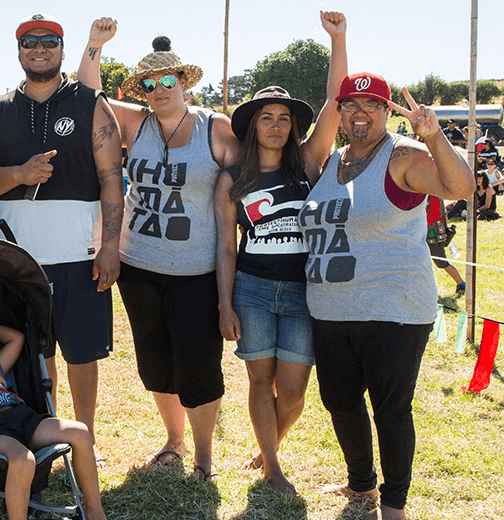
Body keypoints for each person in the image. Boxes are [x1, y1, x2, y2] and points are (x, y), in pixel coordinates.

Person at [299, 73, 473, 520]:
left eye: (372, 104)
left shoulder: (402, 156)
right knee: (340, 402)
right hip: (330, 310)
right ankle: (361, 485)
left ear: (385, 111)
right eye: (351, 104)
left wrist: (434, 138)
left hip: (394, 310)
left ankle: (394, 502)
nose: (360, 112)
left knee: (390, 411)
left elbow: (460, 188)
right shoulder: (329, 162)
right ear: (338, 112)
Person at [78, 18, 239, 481]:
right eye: (148, 84)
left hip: (196, 271)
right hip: (139, 266)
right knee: (155, 359)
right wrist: (95, 45)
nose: (157, 90)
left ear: (184, 81)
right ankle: (174, 440)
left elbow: (244, 191)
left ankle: (204, 455)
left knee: (199, 363)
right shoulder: (135, 122)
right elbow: (90, 98)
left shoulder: (218, 129)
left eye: (167, 81)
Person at [0, 13, 123, 467]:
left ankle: (87, 442)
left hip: (78, 254)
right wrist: (20, 174)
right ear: (19, 51)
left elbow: (111, 177)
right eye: (29, 42)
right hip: (14, 259)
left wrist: (112, 245)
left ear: (61, 48)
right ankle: (45, 436)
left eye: (49, 41)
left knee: (81, 355)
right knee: (33, 358)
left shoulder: (92, 103)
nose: (39, 48)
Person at [214, 10, 346, 494]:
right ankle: (272, 467)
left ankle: (269, 447)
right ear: (253, 127)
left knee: (292, 393)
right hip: (251, 288)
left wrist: (337, 39)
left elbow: (336, 100)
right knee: (258, 381)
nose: (274, 125)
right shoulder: (233, 180)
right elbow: (226, 250)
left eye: (283, 118)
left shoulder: (309, 162)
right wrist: (225, 303)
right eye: (266, 117)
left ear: (293, 127)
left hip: (301, 291)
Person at [0, 310, 107, 520]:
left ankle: (94, 509)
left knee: (81, 433)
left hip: (22, 417)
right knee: (23, 460)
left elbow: (17, 339)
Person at [425, 196, 465, 294]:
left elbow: (434, 216)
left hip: (433, 234)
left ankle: (462, 284)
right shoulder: (431, 196)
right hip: (428, 233)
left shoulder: (431, 198)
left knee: (441, 262)